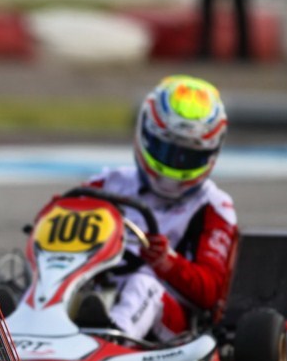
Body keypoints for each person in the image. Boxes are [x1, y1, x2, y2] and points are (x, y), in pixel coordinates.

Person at [79, 74, 237, 341]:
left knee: (142, 284)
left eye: (189, 157)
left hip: (174, 323)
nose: (174, 166)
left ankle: (113, 340)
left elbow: (211, 292)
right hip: (101, 293)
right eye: (165, 150)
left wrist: (167, 263)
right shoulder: (107, 183)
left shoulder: (214, 207)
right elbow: (54, 220)